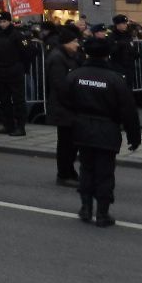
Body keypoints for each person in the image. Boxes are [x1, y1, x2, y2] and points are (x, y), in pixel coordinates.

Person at [61, 36, 141, 227]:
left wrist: (73, 122)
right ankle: (102, 213)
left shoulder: (75, 75)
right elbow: (128, 110)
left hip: (82, 128)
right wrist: (134, 136)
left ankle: (86, 208)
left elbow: (64, 101)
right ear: (107, 55)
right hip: (107, 130)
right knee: (105, 173)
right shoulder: (115, 79)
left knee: (86, 169)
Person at [44, 25, 82, 185]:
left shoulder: (69, 55)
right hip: (63, 107)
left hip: (70, 106)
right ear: (66, 42)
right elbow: (60, 86)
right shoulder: (58, 58)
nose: (77, 44)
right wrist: (73, 103)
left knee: (73, 143)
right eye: (74, 41)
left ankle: (69, 171)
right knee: (66, 143)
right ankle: (64, 174)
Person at [0, 10, 32, 136]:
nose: (2, 24)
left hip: (15, 69)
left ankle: (20, 126)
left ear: (9, 21)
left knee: (18, 100)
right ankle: (8, 125)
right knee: (4, 100)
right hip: (2, 70)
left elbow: (27, 52)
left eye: (4, 21)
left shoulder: (17, 35)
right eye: (0, 22)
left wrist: (23, 68)